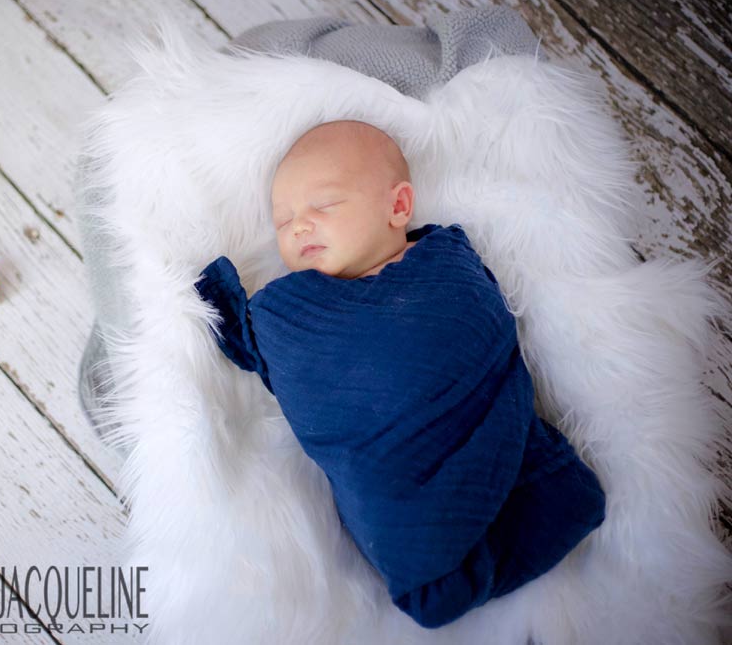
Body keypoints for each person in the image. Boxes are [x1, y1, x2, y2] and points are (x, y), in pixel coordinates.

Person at [193, 120, 607, 629]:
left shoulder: (443, 267)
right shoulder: (288, 313)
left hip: (462, 424)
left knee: (557, 497)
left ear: (396, 207)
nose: (298, 227)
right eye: (283, 222)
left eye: (322, 206)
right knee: (411, 529)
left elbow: (484, 333)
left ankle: (506, 522)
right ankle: (443, 561)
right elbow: (257, 348)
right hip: (384, 471)